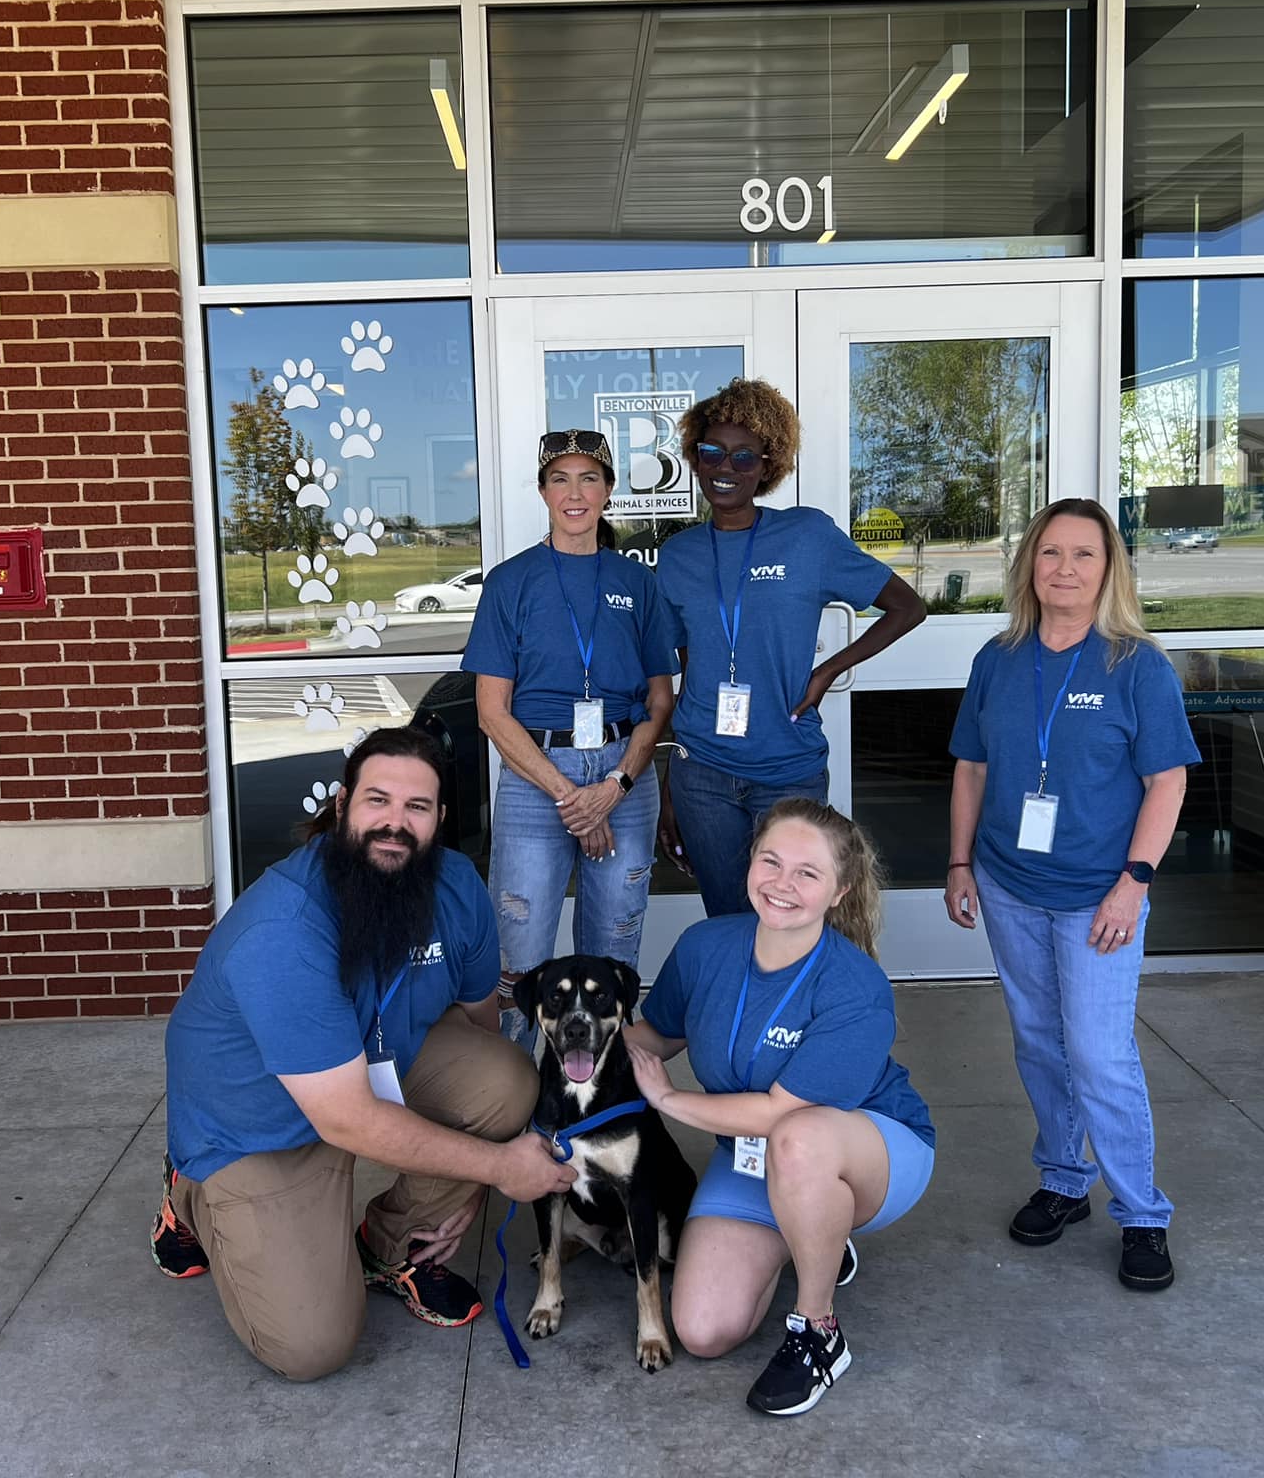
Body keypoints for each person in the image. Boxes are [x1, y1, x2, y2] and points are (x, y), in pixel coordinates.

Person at [152, 726, 575, 1381]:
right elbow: (345, 1118)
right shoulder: (282, 929)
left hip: (370, 1070)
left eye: (417, 807)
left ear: (440, 818)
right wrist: (495, 1166)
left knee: (505, 1083)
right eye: (378, 800)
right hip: (259, 1126)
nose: (395, 825)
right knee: (310, 1347)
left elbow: (480, 1020)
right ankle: (189, 1192)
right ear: (344, 804)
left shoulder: (457, 886)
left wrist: (467, 1172)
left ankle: (392, 1249)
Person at [943, 497, 1198, 1293]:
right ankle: (1063, 1178)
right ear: (1029, 566)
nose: (1064, 569)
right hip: (1011, 888)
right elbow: (971, 768)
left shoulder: (1137, 666)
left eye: (1083, 555)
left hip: (1100, 895)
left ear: (1109, 569)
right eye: (1050, 553)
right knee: (1038, 1042)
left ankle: (1142, 1214)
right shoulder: (999, 658)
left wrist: (1135, 884)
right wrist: (958, 864)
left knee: (1098, 1053)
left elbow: (1167, 782)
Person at [624, 799, 935, 1417]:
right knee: (703, 1330)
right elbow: (656, 1036)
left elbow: (776, 1114)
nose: (782, 884)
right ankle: (814, 1228)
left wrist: (669, 1098)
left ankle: (818, 1330)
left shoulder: (855, 986)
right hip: (752, 1155)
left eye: (807, 873)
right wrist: (579, 1046)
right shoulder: (705, 945)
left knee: (799, 1139)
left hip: (866, 1148)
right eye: (771, 861)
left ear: (840, 890)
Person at [654, 378, 926, 917]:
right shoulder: (678, 555)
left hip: (787, 766)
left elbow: (907, 607)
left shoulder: (808, 537)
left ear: (766, 465)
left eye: (743, 456)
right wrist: (670, 787)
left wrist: (826, 672)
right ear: (694, 457)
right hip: (702, 771)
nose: (725, 467)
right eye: (711, 452)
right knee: (728, 917)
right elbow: (683, 669)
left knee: (789, 915)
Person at [462, 428, 678, 1047]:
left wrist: (611, 787)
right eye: (560, 479)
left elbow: (660, 700)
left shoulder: (637, 583)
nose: (575, 493)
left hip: (623, 774)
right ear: (542, 491)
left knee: (613, 950)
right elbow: (492, 713)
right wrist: (573, 799)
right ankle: (510, 1102)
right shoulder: (511, 582)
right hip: (538, 774)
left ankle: (598, 1098)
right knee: (520, 954)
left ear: (609, 492)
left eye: (589, 478)